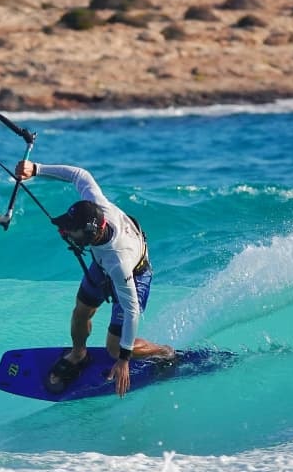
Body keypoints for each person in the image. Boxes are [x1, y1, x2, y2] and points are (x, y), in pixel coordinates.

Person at [15, 159, 175, 397]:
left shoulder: (119, 261)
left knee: (114, 347)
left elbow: (131, 311)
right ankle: (79, 353)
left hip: (134, 274)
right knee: (80, 313)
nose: (66, 231)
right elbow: (80, 174)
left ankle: (163, 352)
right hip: (101, 266)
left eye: (72, 229)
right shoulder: (97, 207)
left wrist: (124, 359)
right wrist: (37, 169)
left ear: (91, 233)